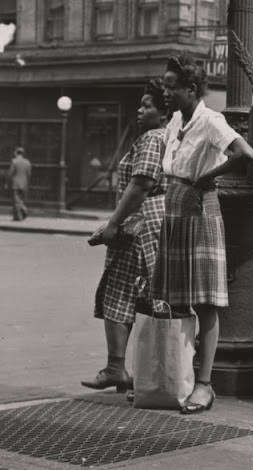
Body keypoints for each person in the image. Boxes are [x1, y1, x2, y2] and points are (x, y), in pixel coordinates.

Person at [151, 53, 253, 414]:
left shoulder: (211, 120)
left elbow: (246, 152)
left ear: (192, 88)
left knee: (205, 303)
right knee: (175, 298)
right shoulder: (175, 121)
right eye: (164, 86)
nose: (166, 92)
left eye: (171, 86)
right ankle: (175, 377)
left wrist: (211, 175)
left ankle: (205, 385)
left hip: (200, 208)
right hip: (175, 206)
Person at [83, 79, 169, 394]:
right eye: (140, 104)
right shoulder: (167, 137)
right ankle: (127, 369)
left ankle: (118, 368)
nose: (140, 110)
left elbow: (141, 184)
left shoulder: (151, 139)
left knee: (119, 294)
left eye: (148, 105)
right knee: (143, 295)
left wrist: (113, 225)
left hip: (139, 225)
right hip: (151, 223)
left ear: (163, 112)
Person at [8, 147, 31, 221]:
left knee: (16, 201)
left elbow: (10, 173)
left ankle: (21, 214)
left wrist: (8, 182)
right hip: (24, 184)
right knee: (20, 200)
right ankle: (17, 216)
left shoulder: (14, 161)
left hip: (15, 183)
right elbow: (29, 174)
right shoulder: (27, 162)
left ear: (16, 153)